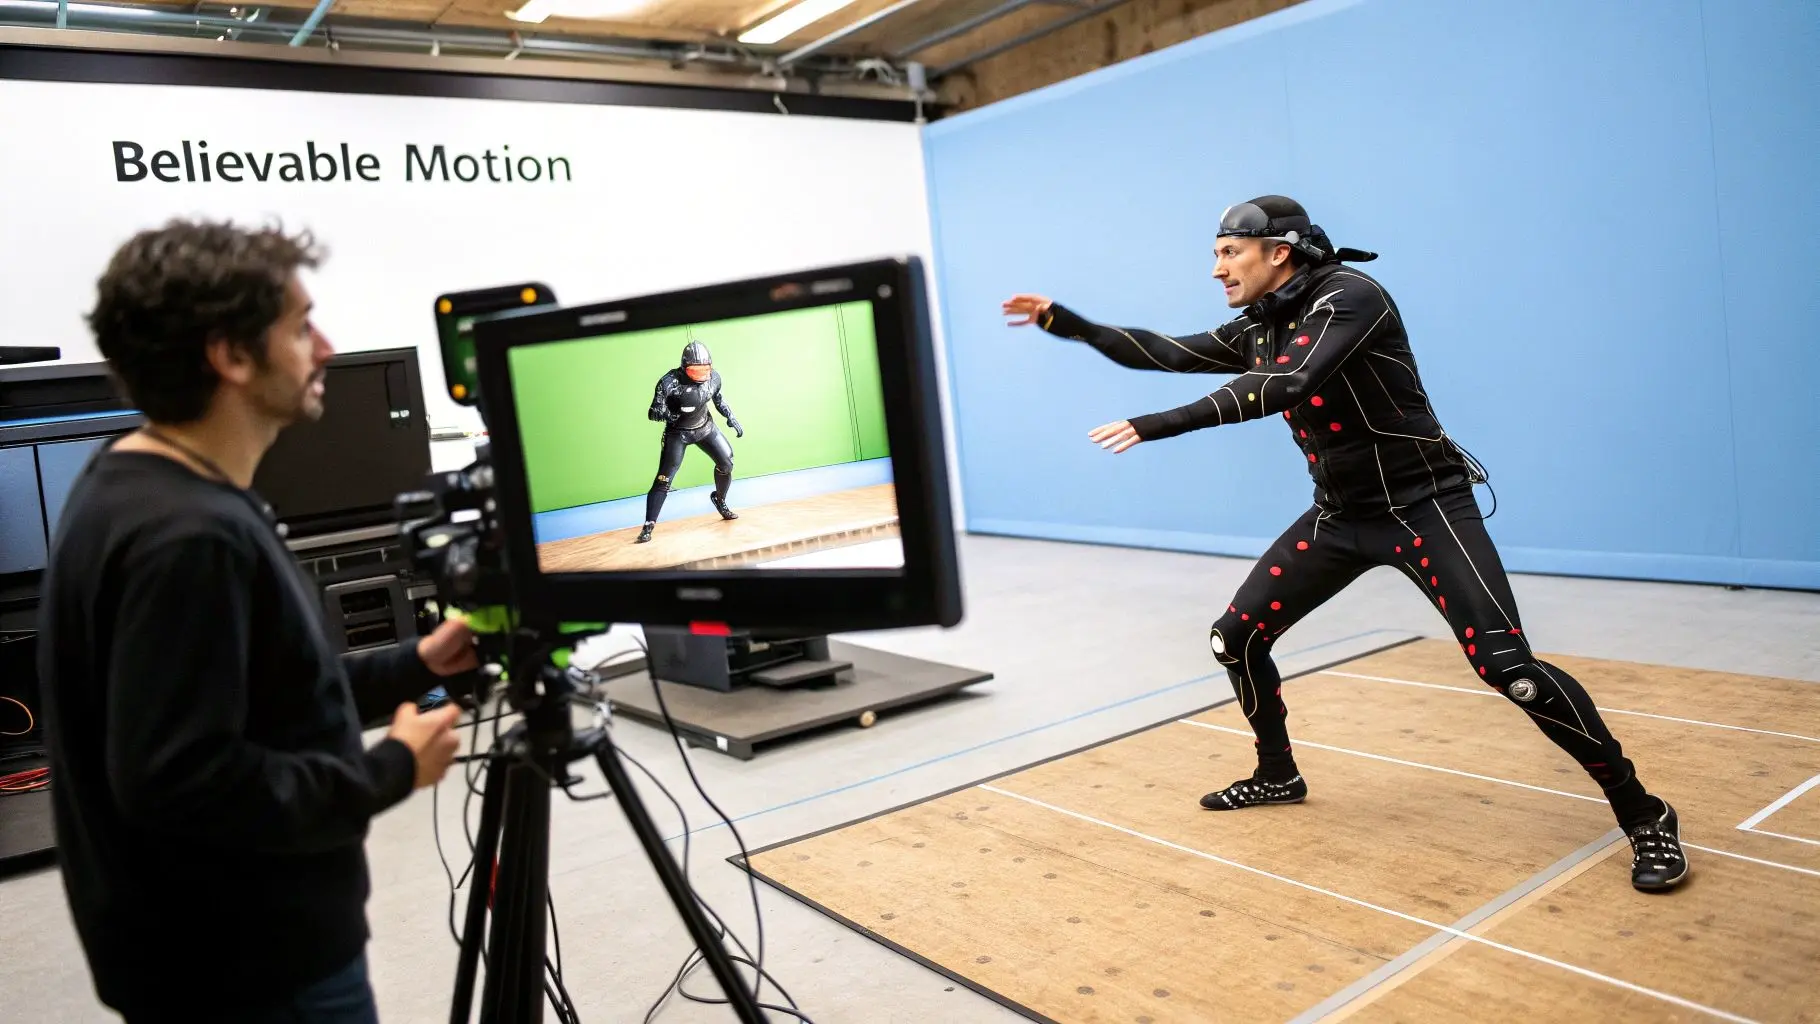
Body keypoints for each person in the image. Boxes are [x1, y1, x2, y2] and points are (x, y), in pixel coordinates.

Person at [1001, 195, 1688, 893]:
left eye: (1228, 251)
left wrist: (1158, 425)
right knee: (1233, 639)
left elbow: (1288, 382)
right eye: (1214, 254)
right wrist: (1066, 321)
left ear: (1281, 252)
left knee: (1509, 670)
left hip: (1424, 509)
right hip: (1340, 515)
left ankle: (1645, 813)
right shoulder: (1262, 325)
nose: (1216, 268)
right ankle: (1278, 775)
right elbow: (1169, 353)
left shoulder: (1351, 298)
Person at [35, 218, 477, 1023]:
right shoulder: (190, 538)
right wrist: (391, 769)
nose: (327, 348)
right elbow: (188, 784)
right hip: (252, 973)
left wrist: (419, 662)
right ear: (231, 356)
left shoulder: (129, 484)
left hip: (204, 955)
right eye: (301, 325)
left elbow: (265, 698)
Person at [637, 339, 744, 543]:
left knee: (727, 463)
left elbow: (718, 399)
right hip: (678, 434)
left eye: (705, 369)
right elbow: (653, 412)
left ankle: (719, 499)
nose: (702, 375)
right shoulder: (669, 382)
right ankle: (648, 526)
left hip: (705, 428)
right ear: (684, 367)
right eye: (696, 371)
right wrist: (672, 415)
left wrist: (731, 417)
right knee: (663, 480)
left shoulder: (714, 378)